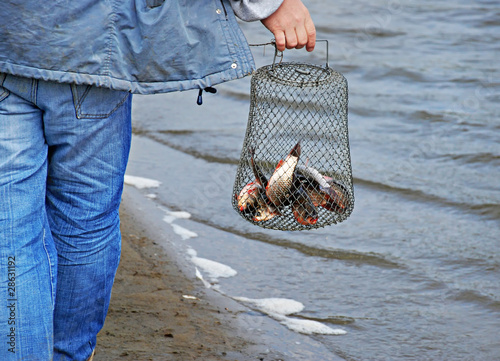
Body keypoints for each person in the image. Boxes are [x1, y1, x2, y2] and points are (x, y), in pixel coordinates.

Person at [0, 0, 315, 360]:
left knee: (11, 234)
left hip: (10, 40)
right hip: (95, 52)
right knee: (83, 223)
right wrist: (271, 5)